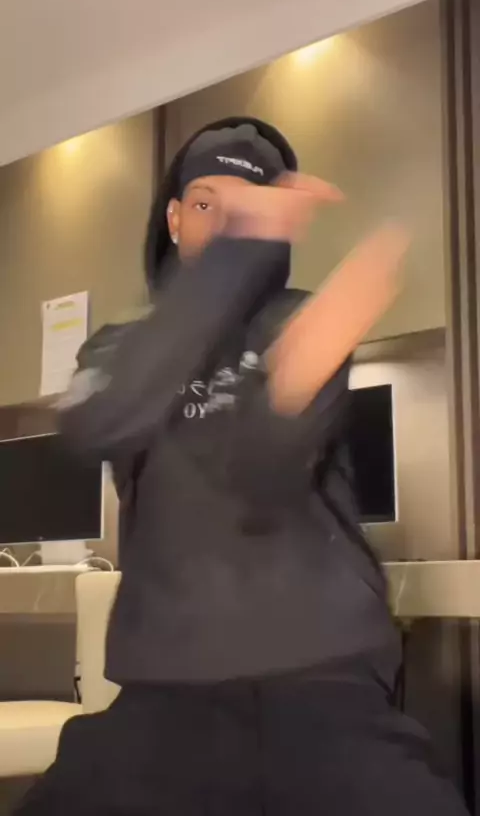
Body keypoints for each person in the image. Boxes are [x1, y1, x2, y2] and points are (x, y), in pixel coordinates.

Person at [15, 117, 469, 816]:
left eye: (253, 208)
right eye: (208, 204)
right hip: (164, 697)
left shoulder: (300, 321)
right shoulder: (119, 347)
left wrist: (293, 382)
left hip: (325, 682)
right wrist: (240, 246)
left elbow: (262, 471)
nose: (229, 223)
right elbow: (102, 421)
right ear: (173, 218)